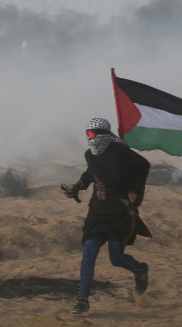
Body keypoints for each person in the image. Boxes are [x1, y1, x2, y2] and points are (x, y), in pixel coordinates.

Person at [62, 118, 152, 315]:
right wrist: (76, 188)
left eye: (93, 135)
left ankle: (139, 270)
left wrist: (135, 189)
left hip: (119, 211)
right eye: (88, 135)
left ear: (103, 134)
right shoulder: (90, 154)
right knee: (89, 253)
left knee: (116, 258)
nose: (90, 139)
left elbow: (143, 165)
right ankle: (83, 300)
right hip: (97, 212)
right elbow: (92, 173)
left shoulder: (121, 152)